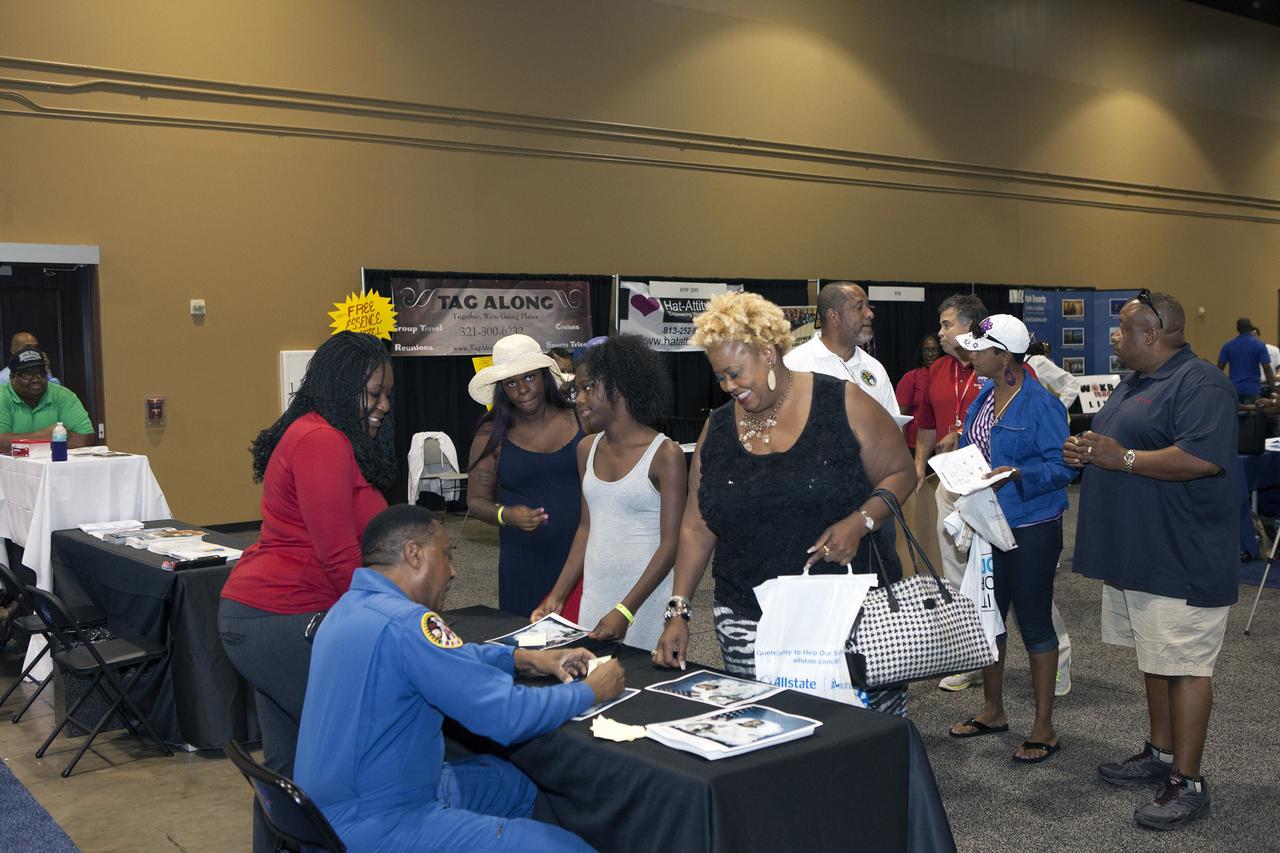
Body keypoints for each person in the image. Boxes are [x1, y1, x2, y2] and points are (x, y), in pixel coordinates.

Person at [295, 504, 622, 852]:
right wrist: (590, 691)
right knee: (568, 847)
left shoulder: (347, 608)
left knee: (514, 784)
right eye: (447, 555)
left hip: (325, 811)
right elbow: (507, 715)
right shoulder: (409, 624)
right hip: (379, 821)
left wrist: (523, 660)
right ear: (414, 554)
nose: (452, 571)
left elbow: (449, 659)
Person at [652, 292, 916, 716]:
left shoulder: (842, 403)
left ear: (769, 353)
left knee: (864, 740)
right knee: (766, 738)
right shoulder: (717, 429)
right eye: (720, 377)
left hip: (849, 613)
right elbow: (697, 525)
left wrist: (860, 521)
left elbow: (902, 473)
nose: (729, 387)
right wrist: (678, 611)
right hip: (748, 616)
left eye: (736, 374)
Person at [1064, 290, 1237, 830]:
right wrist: (1091, 448)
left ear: (1152, 335)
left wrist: (1125, 457)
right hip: (1138, 551)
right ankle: (1161, 752)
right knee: (1156, 656)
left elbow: (1202, 458)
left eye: (1123, 326)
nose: (1115, 334)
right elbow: (1121, 443)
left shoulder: (1202, 383)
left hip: (1180, 555)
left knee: (1184, 664)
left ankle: (1188, 780)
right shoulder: (1137, 381)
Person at [218, 331, 395, 853]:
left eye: (388, 394)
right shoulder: (322, 440)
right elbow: (339, 553)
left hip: (262, 617)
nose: (384, 405)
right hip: (284, 618)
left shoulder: (316, 433)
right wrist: (390, 620)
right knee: (350, 754)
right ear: (342, 387)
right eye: (374, 393)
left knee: (287, 769)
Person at [944, 316, 1073, 763]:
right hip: (988, 521)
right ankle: (993, 710)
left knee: (1034, 620)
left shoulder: (1041, 404)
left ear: (1004, 356)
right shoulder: (984, 394)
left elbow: (1065, 467)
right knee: (988, 617)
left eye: (980, 349)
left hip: (1032, 524)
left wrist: (1020, 474)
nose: (971, 354)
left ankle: (1044, 726)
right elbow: (977, 445)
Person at [532, 335, 687, 650]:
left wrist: (625, 609)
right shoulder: (585, 449)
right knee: (594, 682)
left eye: (588, 388)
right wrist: (557, 597)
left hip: (643, 601)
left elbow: (672, 545)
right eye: (577, 389)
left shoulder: (664, 454)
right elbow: (587, 528)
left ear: (619, 389)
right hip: (596, 593)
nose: (578, 399)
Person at [468, 334, 585, 621]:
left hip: (580, 558)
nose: (521, 389)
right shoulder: (490, 434)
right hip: (524, 561)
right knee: (528, 646)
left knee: (585, 649)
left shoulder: (581, 420)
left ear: (544, 377)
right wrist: (505, 515)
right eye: (511, 383)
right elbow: (475, 502)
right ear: (502, 390)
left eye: (529, 377)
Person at [783, 281, 900, 417]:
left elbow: (893, 426)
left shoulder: (874, 368)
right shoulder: (794, 365)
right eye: (859, 307)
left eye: (868, 307)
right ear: (834, 317)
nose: (870, 314)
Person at [0, 347, 92, 453]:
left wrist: (18, 442)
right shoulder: (2, 396)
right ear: (12, 377)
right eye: (27, 374)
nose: (36, 379)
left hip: (54, 466)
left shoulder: (62, 395)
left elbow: (84, 440)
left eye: (41, 373)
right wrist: (46, 437)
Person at [895, 334, 942, 452]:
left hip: (943, 444)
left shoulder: (948, 377)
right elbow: (901, 416)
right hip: (915, 444)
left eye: (934, 349)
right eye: (926, 350)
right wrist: (901, 448)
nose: (930, 354)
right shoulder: (911, 377)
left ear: (941, 351)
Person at [1217, 316, 1275, 404]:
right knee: (1253, 415)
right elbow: (1267, 368)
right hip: (1252, 390)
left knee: (1235, 416)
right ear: (1250, 327)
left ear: (1237, 329)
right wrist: (1274, 390)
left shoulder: (1228, 346)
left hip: (1234, 389)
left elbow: (1219, 369)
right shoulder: (1259, 345)